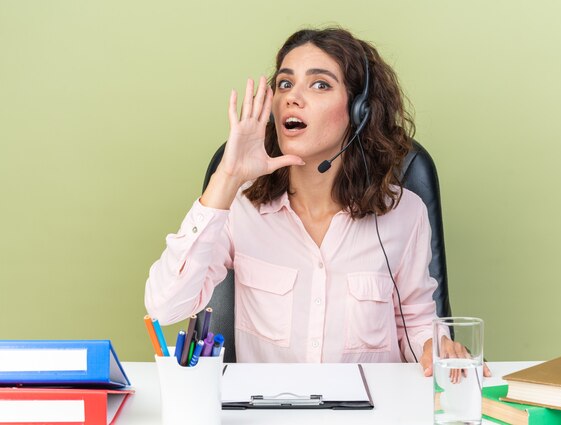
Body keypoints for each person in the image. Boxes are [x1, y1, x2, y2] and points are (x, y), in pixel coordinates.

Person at [145, 27, 488, 376]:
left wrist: (435, 345)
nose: (293, 97)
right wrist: (227, 178)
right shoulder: (240, 207)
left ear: (359, 112)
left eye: (320, 84)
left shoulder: (405, 213)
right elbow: (165, 307)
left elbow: (415, 323)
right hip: (268, 411)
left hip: (371, 410)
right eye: (284, 84)